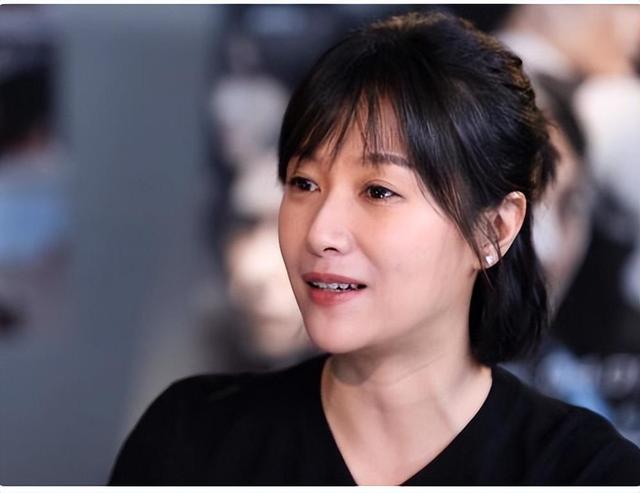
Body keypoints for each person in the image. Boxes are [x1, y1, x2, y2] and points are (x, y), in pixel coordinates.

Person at [109, 12, 640, 485]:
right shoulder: (191, 441)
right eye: (304, 183)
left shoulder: (586, 474)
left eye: (378, 191)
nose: (321, 232)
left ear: (495, 230)